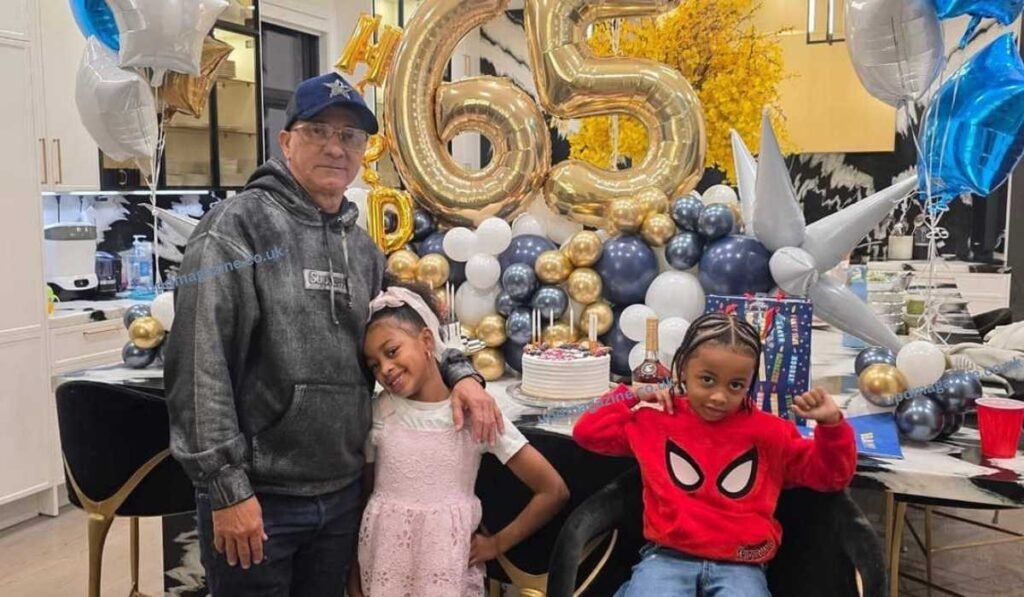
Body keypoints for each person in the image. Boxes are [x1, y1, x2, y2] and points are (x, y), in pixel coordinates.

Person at [165, 72, 504, 597]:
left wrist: (461, 375)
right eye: (318, 130)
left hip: (342, 496)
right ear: (286, 142)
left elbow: (415, 320)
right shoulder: (235, 228)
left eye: (349, 136)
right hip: (260, 499)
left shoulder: (362, 248)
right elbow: (197, 363)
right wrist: (227, 489)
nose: (335, 146)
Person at [573, 312, 857, 596]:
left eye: (735, 385)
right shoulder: (656, 421)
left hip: (742, 564)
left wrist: (832, 426)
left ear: (750, 382)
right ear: (683, 369)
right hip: (667, 557)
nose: (719, 396)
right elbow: (587, 432)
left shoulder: (772, 433)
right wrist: (633, 393)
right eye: (707, 380)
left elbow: (830, 477)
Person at [349, 283, 569, 597]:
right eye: (374, 365)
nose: (385, 368)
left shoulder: (475, 414)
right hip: (385, 571)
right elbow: (365, 498)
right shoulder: (380, 411)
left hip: (447, 575)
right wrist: (354, 572)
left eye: (392, 351)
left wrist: (496, 544)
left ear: (427, 341)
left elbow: (553, 490)